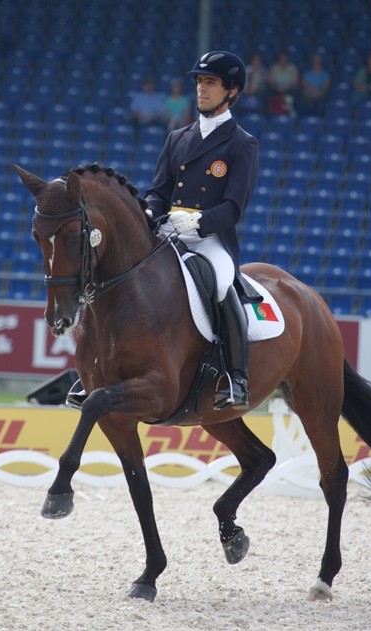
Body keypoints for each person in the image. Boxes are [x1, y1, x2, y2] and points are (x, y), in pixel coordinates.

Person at [67, 51, 260, 411]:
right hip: (169, 231)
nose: (201, 89)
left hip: (209, 238)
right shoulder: (178, 137)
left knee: (221, 284)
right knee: (124, 277)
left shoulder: (242, 143)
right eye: (199, 82)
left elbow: (234, 207)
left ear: (232, 91)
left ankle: (236, 377)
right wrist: (151, 212)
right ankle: (93, 369)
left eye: (210, 82)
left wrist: (199, 222)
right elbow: (158, 191)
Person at [266, 50, 299, 115]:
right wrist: (277, 87)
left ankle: (291, 112)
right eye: (281, 58)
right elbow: (271, 81)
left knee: (296, 91)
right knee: (268, 91)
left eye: (284, 58)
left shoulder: (292, 68)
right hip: (276, 89)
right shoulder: (274, 67)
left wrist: (285, 88)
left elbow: (294, 82)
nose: (283, 59)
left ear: (287, 58)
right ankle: (271, 112)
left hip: (289, 89)